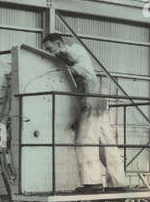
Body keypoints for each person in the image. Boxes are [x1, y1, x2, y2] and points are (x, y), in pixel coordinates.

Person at [42, 32, 128, 192]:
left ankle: (92, 182)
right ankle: (118, 182)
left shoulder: (75, 50)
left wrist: (56, 55)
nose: (49, 53)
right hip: (99, 102)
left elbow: (68, 55)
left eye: (49, 48)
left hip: (90, 101)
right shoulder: (72, 64)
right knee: (106, 142)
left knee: (85, 140)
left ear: (59, 44)